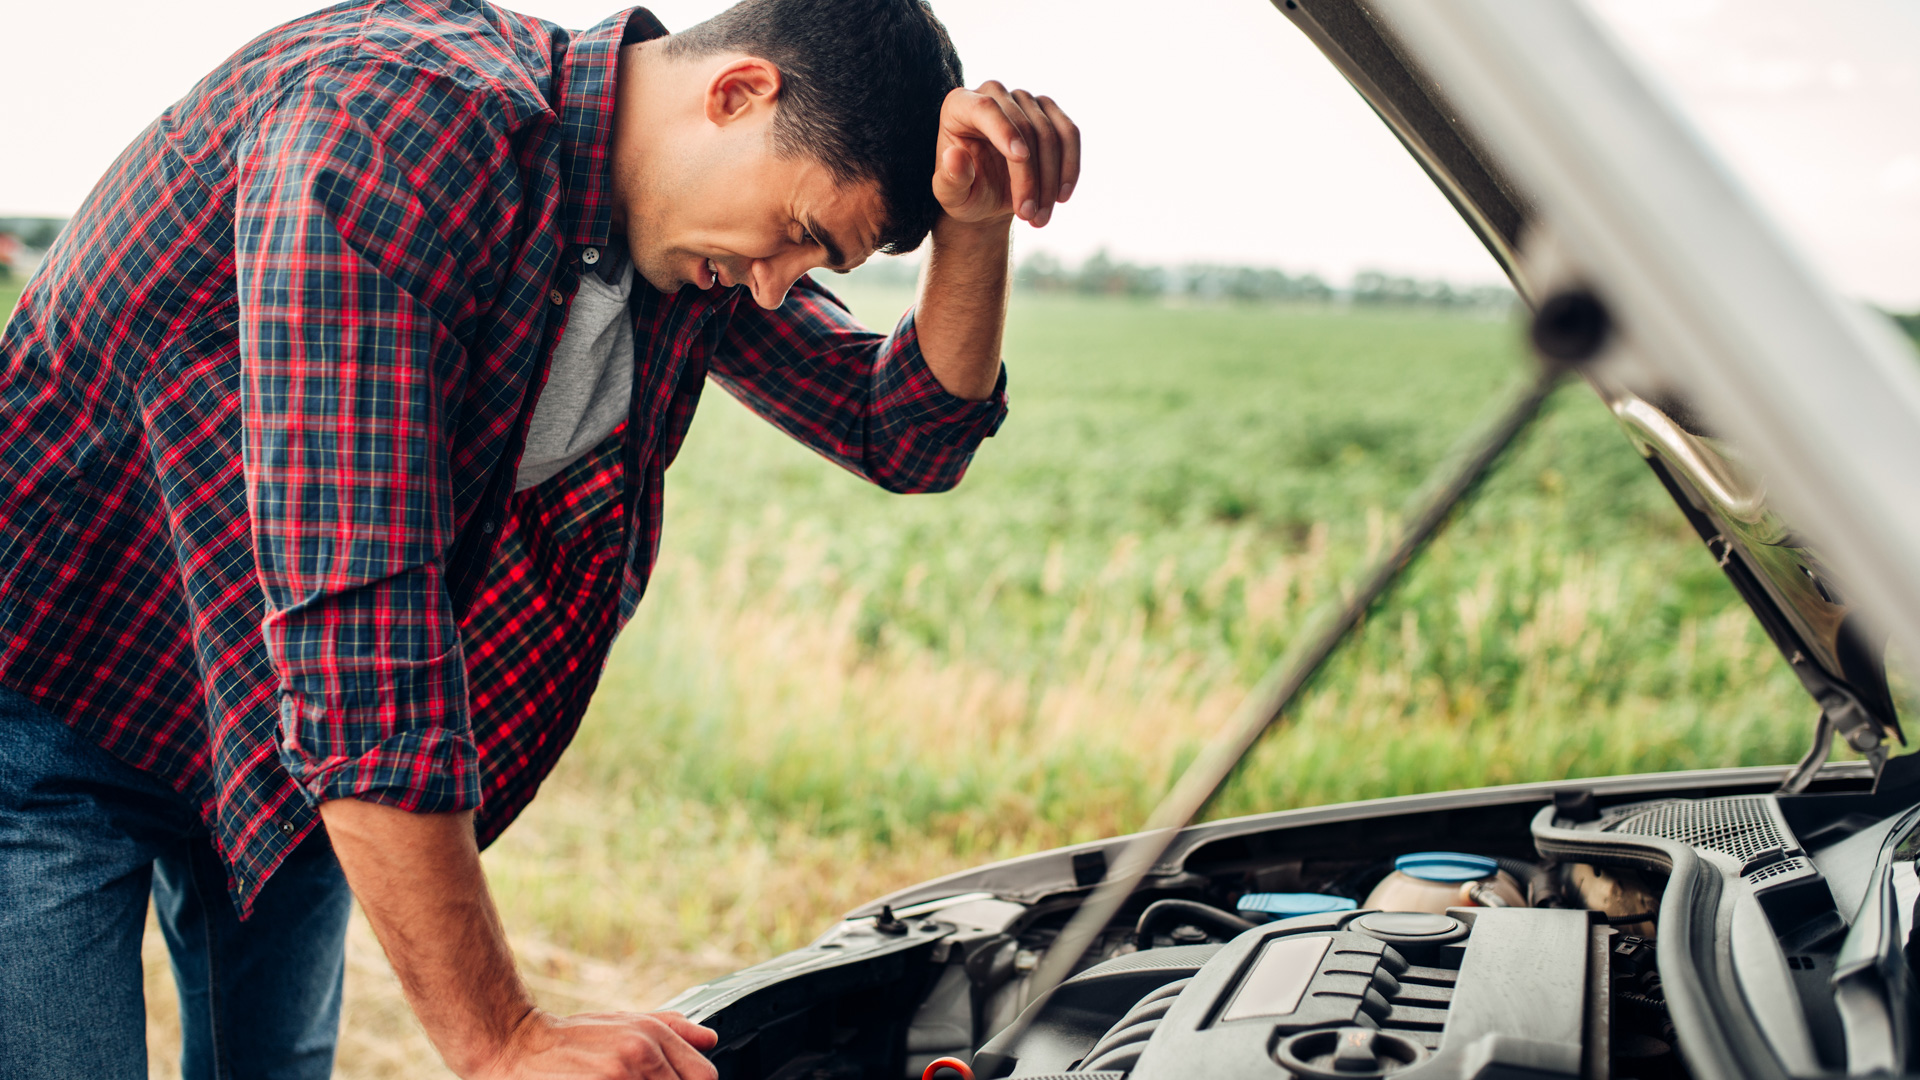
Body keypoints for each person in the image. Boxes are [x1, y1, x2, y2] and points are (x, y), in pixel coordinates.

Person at [0, 0, 1078, 1075]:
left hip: (273, 716)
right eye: (801, 233)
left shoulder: (676, 227)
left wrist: (976, 224)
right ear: (739, 94)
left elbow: (905, 432)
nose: (775, 282)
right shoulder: (396, 124)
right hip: (61, 689)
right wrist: (503, 1040)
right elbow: (360, 621)